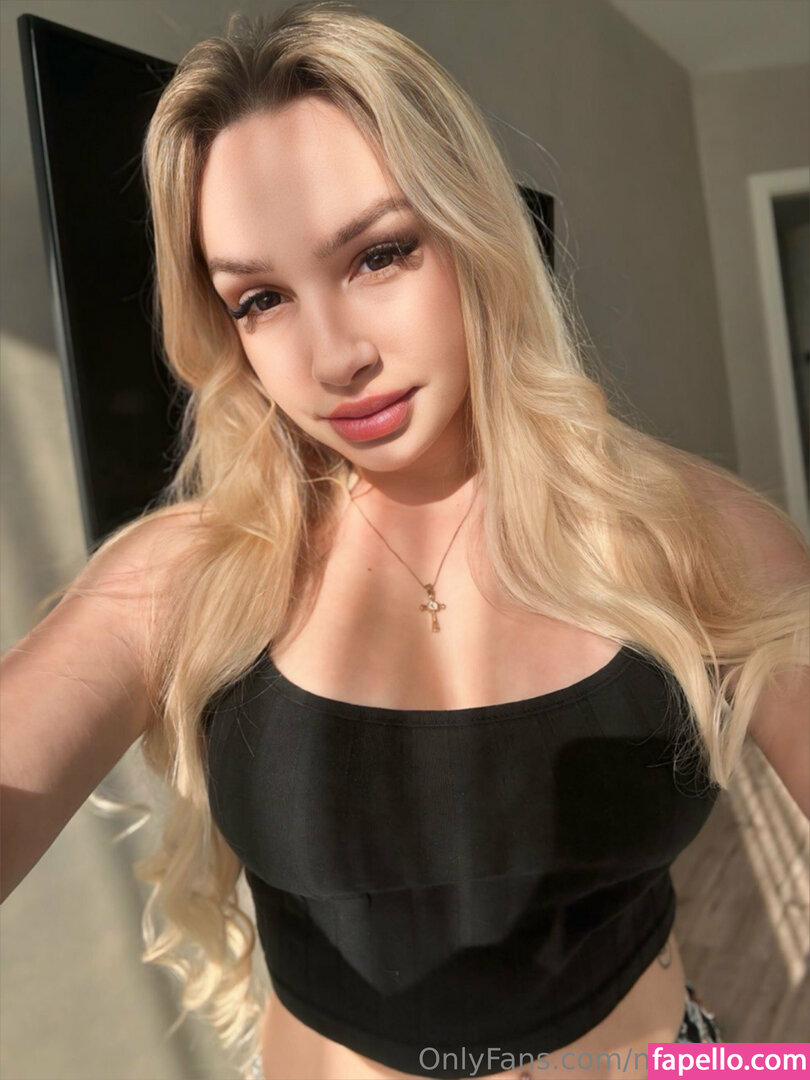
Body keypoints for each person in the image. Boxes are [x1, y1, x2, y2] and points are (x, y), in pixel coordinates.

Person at [1, 3, 807, 1079]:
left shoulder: (702, 535)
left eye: (379, 255)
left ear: (474, 236)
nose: (335, 358)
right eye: (261, 298)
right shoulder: (183, 578)